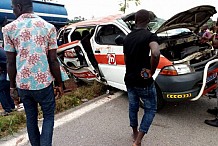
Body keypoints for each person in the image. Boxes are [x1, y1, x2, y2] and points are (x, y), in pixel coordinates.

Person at [3, 0, 64, 145]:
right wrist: (60, 83)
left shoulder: (8, 29)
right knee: (48, 117)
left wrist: (12, 87)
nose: (13, 11)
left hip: (23, 85)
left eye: (13, 8)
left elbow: (10, 62)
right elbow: (53, 60)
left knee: (31, 118)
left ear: (18, 7)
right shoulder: (49, 27)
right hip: (44, 84)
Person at [123, 9, 160, 146]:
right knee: (150, 109)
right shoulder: (150, 36)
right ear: (148, 21)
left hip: (129, 79)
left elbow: (126, 59)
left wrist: (132, 69)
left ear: (135, 21)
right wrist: (152, 71)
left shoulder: (127, 37)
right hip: (143, 80)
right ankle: (138, 141)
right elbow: (155, 53)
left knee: (133, 107)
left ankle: (134, 132)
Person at [0, 47, 15, 116]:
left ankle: (7, 109)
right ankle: (12, 106)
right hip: (9, 70)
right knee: (5, 89)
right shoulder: (1, 49)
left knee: (1, 89)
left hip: (6, 70)